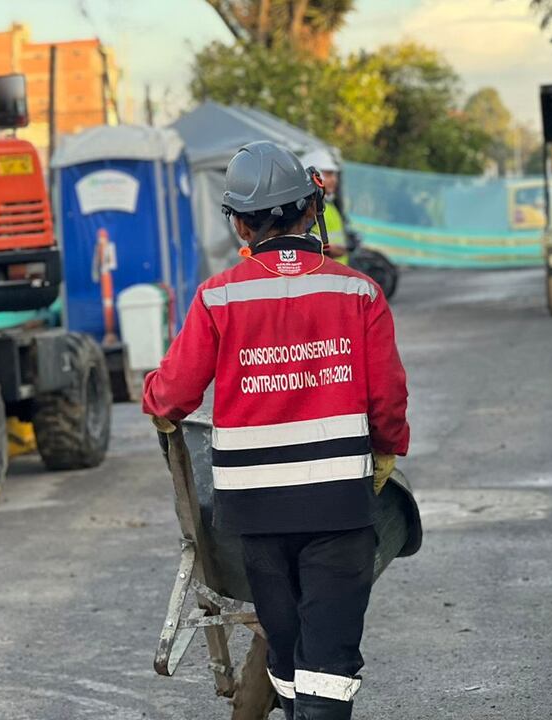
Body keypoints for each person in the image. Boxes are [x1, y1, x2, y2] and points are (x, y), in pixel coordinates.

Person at [143, 140, 410, 720]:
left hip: (255, 514)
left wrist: (153, 397)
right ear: (312, 210)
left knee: (287, 652)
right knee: (330, 663)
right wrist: (387, 450)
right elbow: (387, 400)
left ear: (239, 222)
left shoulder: (219, 297)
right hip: (338, 505)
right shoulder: (358, 292)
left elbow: (174, 394)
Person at [299, 148, 350, 264]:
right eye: (328, 174)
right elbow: (300, 242)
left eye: (334, 175)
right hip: (322, 272)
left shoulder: (329, 206)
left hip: (336, 273)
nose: (334, 180)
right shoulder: (308, 207)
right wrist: (329, 249)